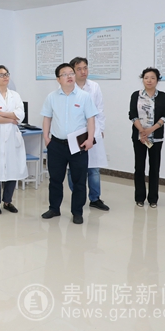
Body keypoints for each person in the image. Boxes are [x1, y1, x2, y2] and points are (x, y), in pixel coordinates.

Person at [40, 63, 97, 225]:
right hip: (56, 145)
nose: (69, 76)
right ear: (58, 79)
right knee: (55, 179)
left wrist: (90, 139)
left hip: (78, 145)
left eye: (71, 73)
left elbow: (91, 119)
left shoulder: (84, 96)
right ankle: (54, 208)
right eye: (64, 74)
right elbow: (47, 118)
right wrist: (46, 138)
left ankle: (77, 212)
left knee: (79, 180)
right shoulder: (51, 97)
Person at [67, 57, 110, 211]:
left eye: (85, 68)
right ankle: (77, 195)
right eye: (79, 69)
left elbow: (100, 109)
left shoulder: (94, 86)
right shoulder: (68, 87)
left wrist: (100, 129)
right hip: (74, 132)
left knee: (94, 168)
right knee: (73, 168)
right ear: (73, 71)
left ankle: (95, 198)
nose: (83, 71)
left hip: (93, 131)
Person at [0, 66, 27, 215]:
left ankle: (7, 201)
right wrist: (11, 118)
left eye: (6, 74)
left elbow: (20, 115)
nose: (5, 77)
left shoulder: (15, 95)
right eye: (1, 75)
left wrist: (3, 113)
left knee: (12, 170)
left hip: (12, 138)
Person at [129, 67, 165, 208]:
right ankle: (139, 197)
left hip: (156, 137)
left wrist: (151, 130)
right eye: (146, 78)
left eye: (153, 78)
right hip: (139, 137)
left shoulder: (162, 96)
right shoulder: (136, 95)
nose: (149, 80)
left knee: (154, 167)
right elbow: (132, 114)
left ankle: (153, 199)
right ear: (143, 79)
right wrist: (142, 131)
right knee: (139, 167)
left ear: (157, 80)